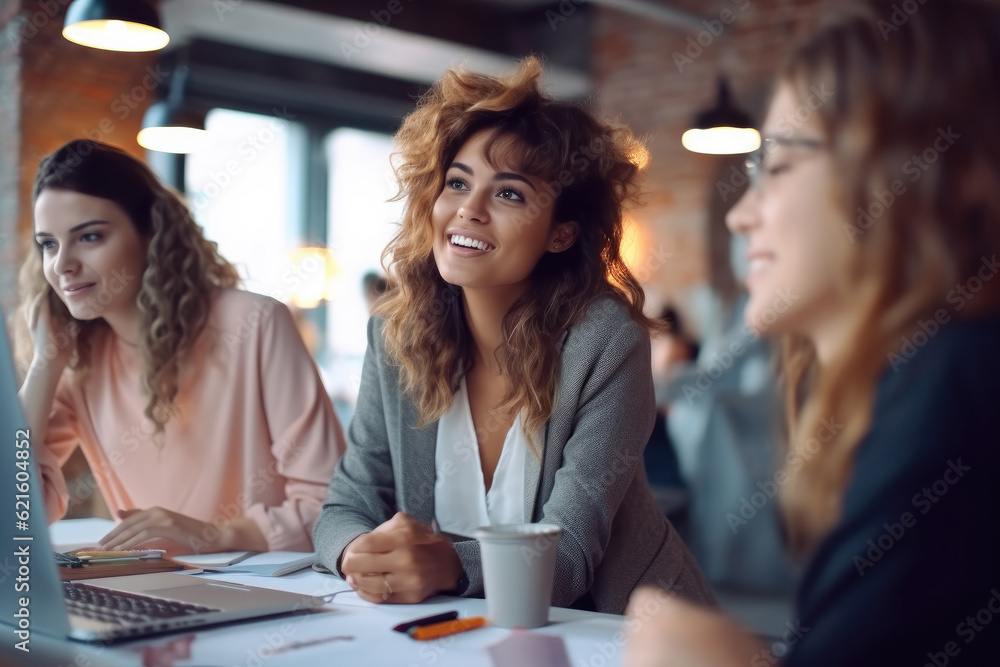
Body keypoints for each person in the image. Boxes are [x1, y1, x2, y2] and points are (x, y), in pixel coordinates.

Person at [624, 1, 1000, 664]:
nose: (741, 215)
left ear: (908, 173)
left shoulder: (956, 378)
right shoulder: (926, 377)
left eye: (780, 165)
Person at [313, 57, 713, 613]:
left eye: (509, 194)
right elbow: (345, 506)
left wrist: (449, 566)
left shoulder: (606, 343)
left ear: (561, 234)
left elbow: (570, 555)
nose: (469, 210)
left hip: (620, 628)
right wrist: (358, 551)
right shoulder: (394, 332)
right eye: (457, 183)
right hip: (462, 628)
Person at [17, 139, 346, 554]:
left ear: (150, 233)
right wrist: (45, 365)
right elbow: (15, 512)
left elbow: (334, 508)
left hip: (270, 588)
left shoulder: (254, 324)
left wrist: (216, 536)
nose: (62, 264)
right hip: (151, 588)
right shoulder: (79, 360)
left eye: (90, 237)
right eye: (48, 244)